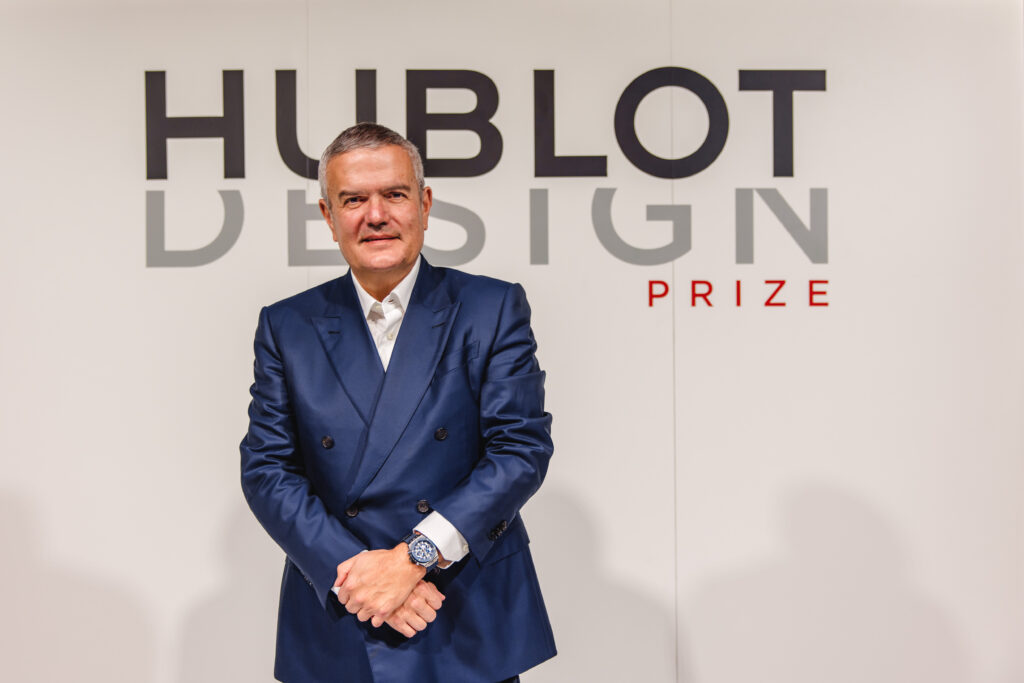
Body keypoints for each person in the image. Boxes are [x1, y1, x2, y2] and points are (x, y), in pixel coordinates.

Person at [240, 122, 556, 683]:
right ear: (328, 216)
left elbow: (519, 451)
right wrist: (361, 576)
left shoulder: (490, 308)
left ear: (425, 204)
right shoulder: (287, 325)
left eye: (394, 194)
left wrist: (414, 558)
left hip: (461, 606)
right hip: (343, 610)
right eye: (353, 200)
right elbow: (267, 469)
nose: (376, 215)